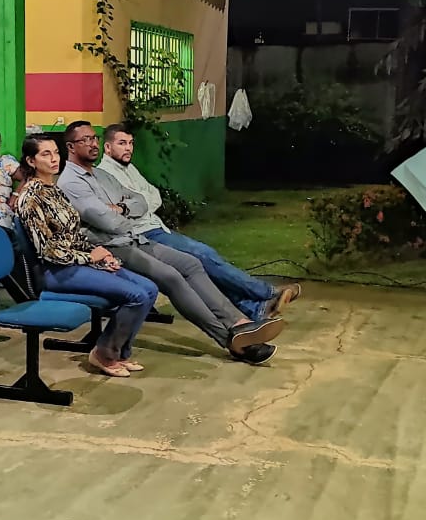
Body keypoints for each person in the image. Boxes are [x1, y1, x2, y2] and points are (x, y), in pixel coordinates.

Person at [58, 122, 281, 365]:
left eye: (94, 138)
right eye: (85, 140)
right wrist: (124, 212)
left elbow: (141, 202)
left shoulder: (102, 176)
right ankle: (231, 340)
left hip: (134, 239)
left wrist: (120, 208)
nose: (93, 144)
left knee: (191, 263)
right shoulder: (71, 182)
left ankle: (239, 322)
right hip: (110, 247)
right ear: (71, 147)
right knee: (171, 276)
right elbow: (108, 222)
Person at [98, 124, 300, 320]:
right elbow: (133, 208)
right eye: (122, 143)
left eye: (131, 143)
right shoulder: (105, 175)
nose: (128, 148)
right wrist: (141, 203)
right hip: (142, 235)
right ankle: (267, 293)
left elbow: (154, 196)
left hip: (155, 227)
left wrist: (141, 203)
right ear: (107, 147)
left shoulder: (128, 168)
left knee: (204, 264)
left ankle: (256, 308)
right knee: (204, 255)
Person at [16, 136, 158, 376]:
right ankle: (104, 354)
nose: (54, 159)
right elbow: (49, 251)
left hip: (76, 261)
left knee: (150, 289)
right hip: (56, 270)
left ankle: (120, 353)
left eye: (55, 152)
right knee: (135, 295)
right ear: (31, 161)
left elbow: (72, 235)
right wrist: (90, 258)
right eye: (45, 154)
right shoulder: (31, 198)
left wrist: (98, 254)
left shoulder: (54, 189)